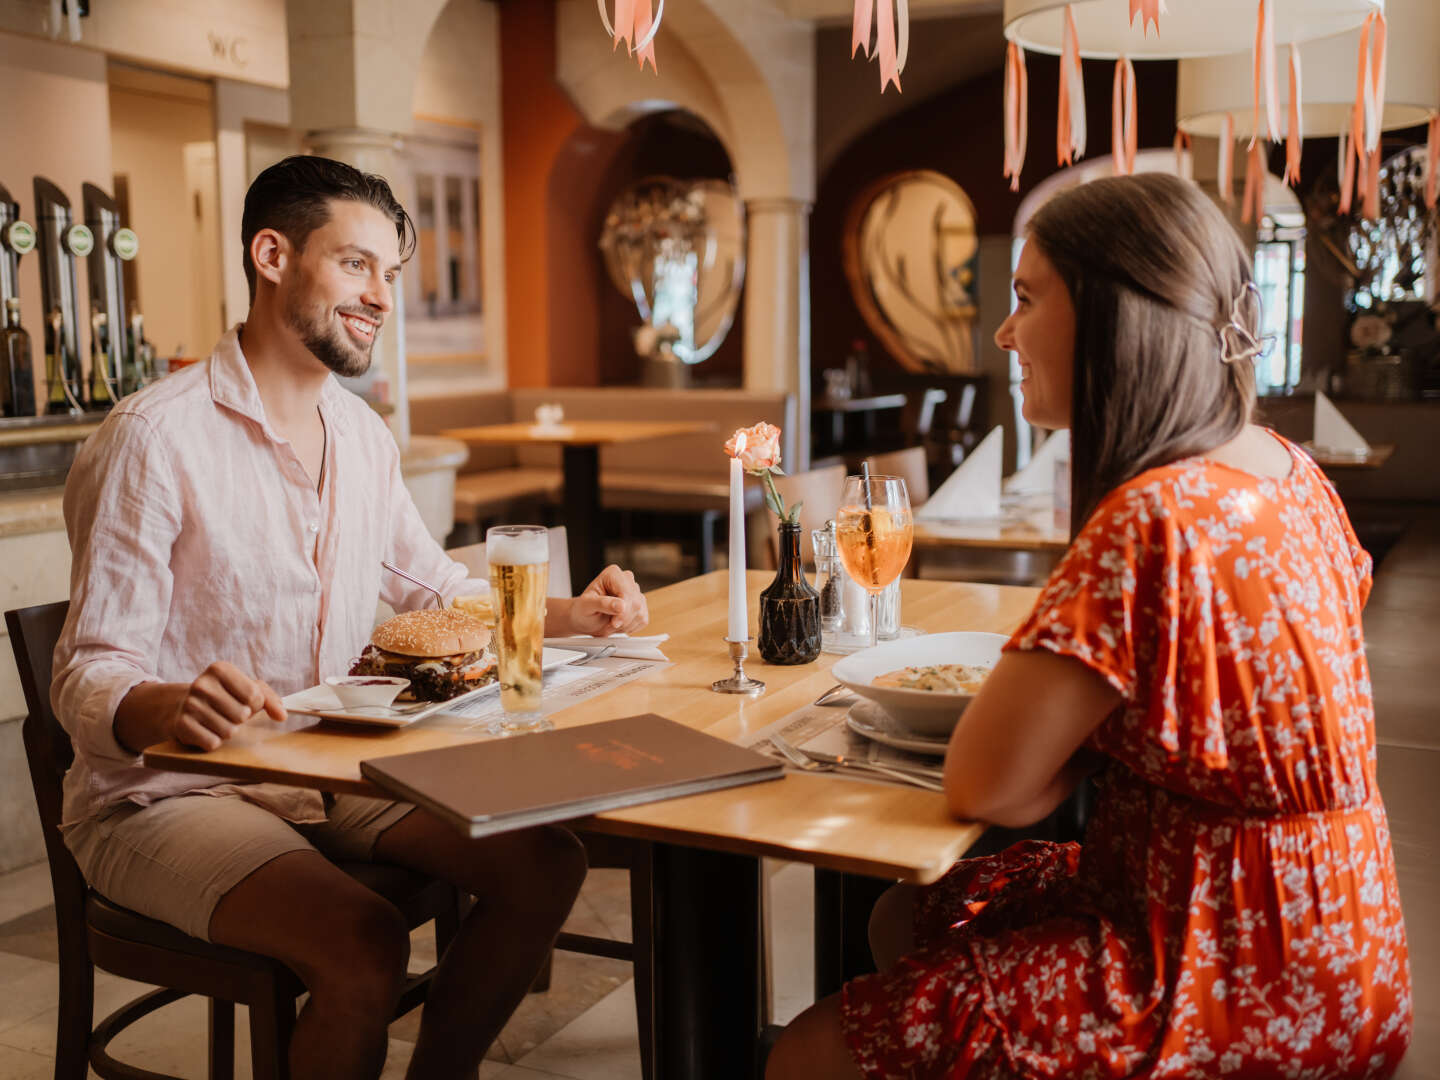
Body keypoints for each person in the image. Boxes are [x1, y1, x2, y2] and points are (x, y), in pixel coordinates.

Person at [766, 173, 1413, 1078]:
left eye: (1027, 298)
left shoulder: (1154, 515)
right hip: (1346, 941)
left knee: (806, 1055)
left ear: (1116, 317)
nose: (1003, 332)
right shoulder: (1291, 474)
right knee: (903, 913)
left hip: (1220, 964)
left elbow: (989, 788)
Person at [51, 155, 650, 1080]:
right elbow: (87, 670)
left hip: (327, 763)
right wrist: (164, 705)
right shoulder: (153, 437)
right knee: (364, 940)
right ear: (271, 254)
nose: (381, 296)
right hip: (166, 798)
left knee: (547, 863)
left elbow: (433, 590)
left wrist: (574, 614)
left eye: (392, 275)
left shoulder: (363, 438)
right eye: (358, 265)